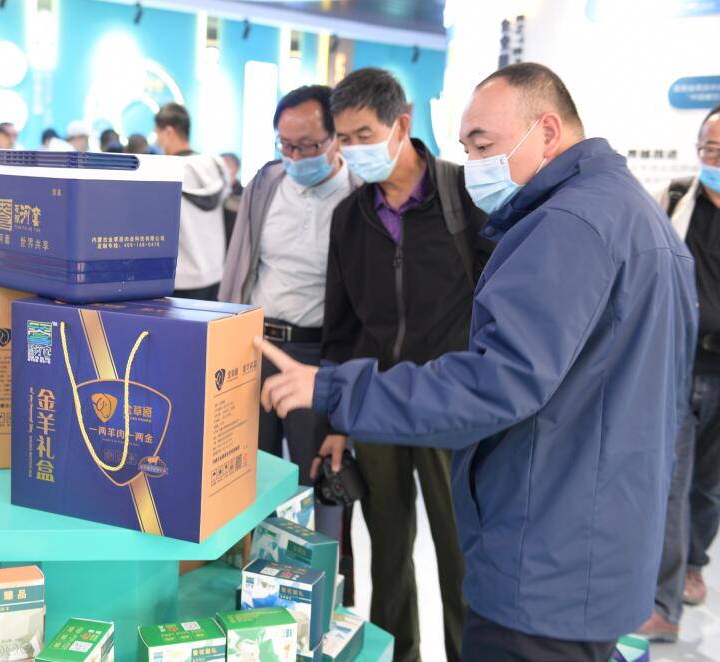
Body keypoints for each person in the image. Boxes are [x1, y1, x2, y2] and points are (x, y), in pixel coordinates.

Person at [256, 62, 698, 662]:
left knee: (456, 568)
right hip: (595, 543)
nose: (475, 164)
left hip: (543, 550)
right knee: (391, 550)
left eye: (484, 145)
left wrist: (336, 391)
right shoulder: (635, 216)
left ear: (546, 130)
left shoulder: (564, 226)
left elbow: (499, 380)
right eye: (466, 148)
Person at [320, 67, 488, 662]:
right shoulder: (350, 217)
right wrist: (338, 418)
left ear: (402, 124)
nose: (353, 150)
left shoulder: (465, 198)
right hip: (377, 406)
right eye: (343, 138)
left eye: (364, 134)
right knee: (386, 553)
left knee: (459, 553)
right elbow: (341, 327)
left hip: (450, 406)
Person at [220, 85, 361, 543]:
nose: (296, 157)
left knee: (315, 476)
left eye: (308, 146)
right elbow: (239, 265)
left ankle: (316, 571)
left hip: (316, 355)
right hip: (256, 346)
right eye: (286, 145)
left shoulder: (360, 198)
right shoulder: (266, 184)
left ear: (335, 139)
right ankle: (246, 564)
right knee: (246, 471)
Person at [638, 103, 720, 641]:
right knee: (670, 481)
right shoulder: (672, 199)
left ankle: (693, 563)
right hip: (679, 366)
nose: (714, 159)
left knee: (709, 486)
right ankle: (662, 603)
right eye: (709, 148)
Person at [155, 102, 229, 300]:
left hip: (181, 278)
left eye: (158, 134)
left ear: (169, 132)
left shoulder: (165, 171)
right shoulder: (216, 165)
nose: (158, 142)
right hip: (215, 274)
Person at [220, 152, 244, 247]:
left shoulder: (243, 195)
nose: (222, 171)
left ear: (236, 169)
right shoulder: (214, 194)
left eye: (226, 166)